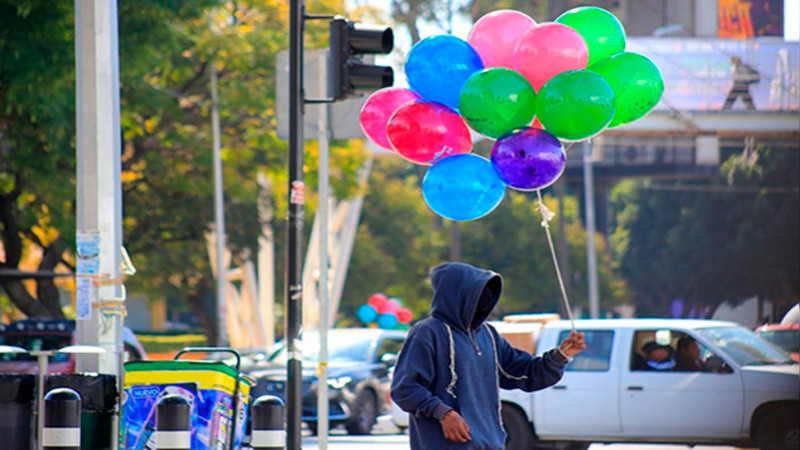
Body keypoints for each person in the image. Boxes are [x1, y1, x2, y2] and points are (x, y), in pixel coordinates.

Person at [390, 262, 586, 449]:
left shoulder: (488, 334)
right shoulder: (428, 332)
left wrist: (561, 355)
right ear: (456, 295)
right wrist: (443, 413)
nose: (484, 298)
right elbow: (405, 388)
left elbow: (525, 372)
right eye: (477, 292)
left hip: (490, 443)